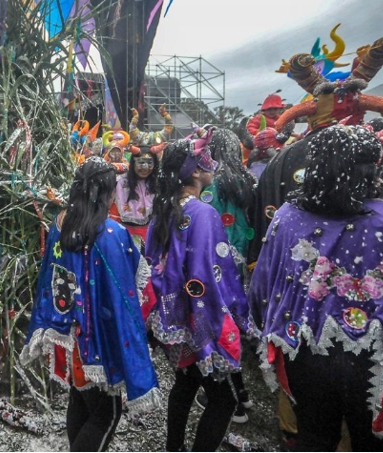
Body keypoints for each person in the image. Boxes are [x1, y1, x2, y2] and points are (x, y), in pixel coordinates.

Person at [248, 124, 383, 451]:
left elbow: (261, 290)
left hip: (303, 352)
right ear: (375, 167)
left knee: (313, 439)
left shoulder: (288, 218)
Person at [21, 157, 161, 452]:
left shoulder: (60, 224)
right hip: (97, 343)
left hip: (68, 337)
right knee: (106, 414)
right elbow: (126, 294)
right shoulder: (111, 234)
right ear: (106, 193)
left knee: (79, 399)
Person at [145, 129, 255, 452]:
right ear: (194, 170)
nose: (214, 164)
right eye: (207, 158)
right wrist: (230, 316)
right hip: (200, 319)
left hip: (174, 320)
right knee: (223, 401)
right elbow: (209, 274)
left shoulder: (163, 209)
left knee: (186, 382)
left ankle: (173, 448)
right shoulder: (203, 213)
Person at [109, 144, 160, 252]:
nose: (145, 167)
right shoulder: (120, 182)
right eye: (141, 162)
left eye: (149, 163)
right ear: (133, 163)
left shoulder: (157, 183)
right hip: (123, 234)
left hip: (149, 234)